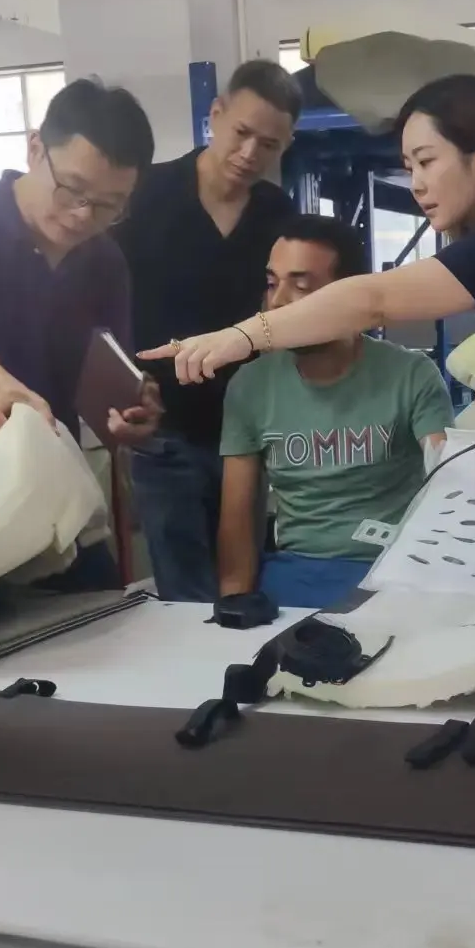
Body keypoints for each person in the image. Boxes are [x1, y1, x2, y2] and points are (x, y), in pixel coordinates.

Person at [141, 73, 475, 444]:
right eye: (409, 168)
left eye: (427, 161)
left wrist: (240, 337)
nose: (417, 185)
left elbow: (373, 300)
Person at [0, 77, 157, 588]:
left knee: (107, 616)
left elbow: (108, 377)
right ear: (36, 148)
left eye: (109, 205)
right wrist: (5, 398)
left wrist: (131, 412)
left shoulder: (104, 261)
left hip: (54, 498)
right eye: (73, 190)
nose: (83, 215)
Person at [114, 59, 302, 601]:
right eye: (242, 133)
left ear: (286, 145)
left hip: (246, 431)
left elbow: (287, 312)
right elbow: (101, 299)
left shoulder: (277, 213)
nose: (249, 154)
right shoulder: (147, 194)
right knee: (184, 592)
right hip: (163, 428)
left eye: (268, 145)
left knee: (245, 582)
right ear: (215, 114)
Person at [216, 216, 453, 609]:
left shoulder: (412, 375)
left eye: (301, 286)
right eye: (272, 283)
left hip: (394, 571)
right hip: (296, 573)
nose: (277, 303)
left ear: (350, 295)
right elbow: (237, 515)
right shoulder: (250, 385)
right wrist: (236, 600)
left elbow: (449, 482)